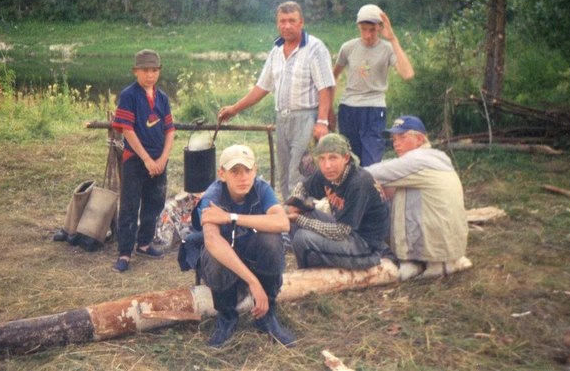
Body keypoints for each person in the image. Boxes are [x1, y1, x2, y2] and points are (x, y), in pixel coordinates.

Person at [218, 1, 335, 200]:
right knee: (284, 175)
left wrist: (322, 121)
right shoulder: (276, 51)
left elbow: (326, 87)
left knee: (300, 173)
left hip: (306, 118)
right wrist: (235, 109)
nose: (287, 25)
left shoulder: (315, 48)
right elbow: (262, 87)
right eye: (283, 21)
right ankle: (289, 220)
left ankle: (303, 223)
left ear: (301, 23)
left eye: (292, 21)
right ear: (277, 23)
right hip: (283, 118)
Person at [194, 144, 295, 348]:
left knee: (272, 239)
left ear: (255, 170)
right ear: (222, 174)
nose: (243, 177)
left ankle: (267, 313)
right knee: (215, 255)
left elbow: (283, 223)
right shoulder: (212, 196)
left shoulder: (260, 188)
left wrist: (232, 218)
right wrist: (253, 282)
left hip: (249, 256)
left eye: (248, 170)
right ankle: (227, 316)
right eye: (235, 171)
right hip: (224, 263)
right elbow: (212, 241)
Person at [364, 116, 470, 280]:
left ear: (420, 139)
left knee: (377, 183)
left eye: (402, 137)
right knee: (392, 187)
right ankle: (425, 261)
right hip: (451, 245)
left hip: (437, 248)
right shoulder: (435, 156)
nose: (396, 143)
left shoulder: (418, 160)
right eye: (394, 138)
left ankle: (422, 262)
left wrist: (342, 171)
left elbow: (370, 173)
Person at [286, 133, 394, 270]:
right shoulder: (327, 172)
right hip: (346, 232)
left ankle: (309, 275)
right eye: (322, 159)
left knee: (302, 237)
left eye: (333, 158)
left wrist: (300, 219)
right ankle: (315, 267)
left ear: (346, 158)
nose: (327, 165)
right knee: (298, 216)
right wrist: (295, 203)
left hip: (366, 246)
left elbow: (341, 231)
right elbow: (302, 187)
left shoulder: (359, 182)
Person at [110, 49, 175, 273]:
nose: (150, 75)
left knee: (155, 201)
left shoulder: (163, 98)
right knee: (130, 204)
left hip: (159, 160)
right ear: (136, 71)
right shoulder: (129, 95)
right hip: (136, 160)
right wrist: (147, 159)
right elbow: (126, 129)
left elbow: (169, 129)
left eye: (154, 70)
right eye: (145, 70)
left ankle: (144, 243)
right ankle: (125, 252)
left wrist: (163, 158)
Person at [333, 4, 415, 166]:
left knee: (372, 162)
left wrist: (392, 38)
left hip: (374, 109)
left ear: (379, 28)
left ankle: (372, 190)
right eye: (364, 29)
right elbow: (332, 77)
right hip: (348, 108)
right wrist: (328, 110)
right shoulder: (348, 48)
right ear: (358, 27)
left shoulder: (387, 49)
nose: (368, 35)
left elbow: (407, 74)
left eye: (372, 30)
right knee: (349, 162)